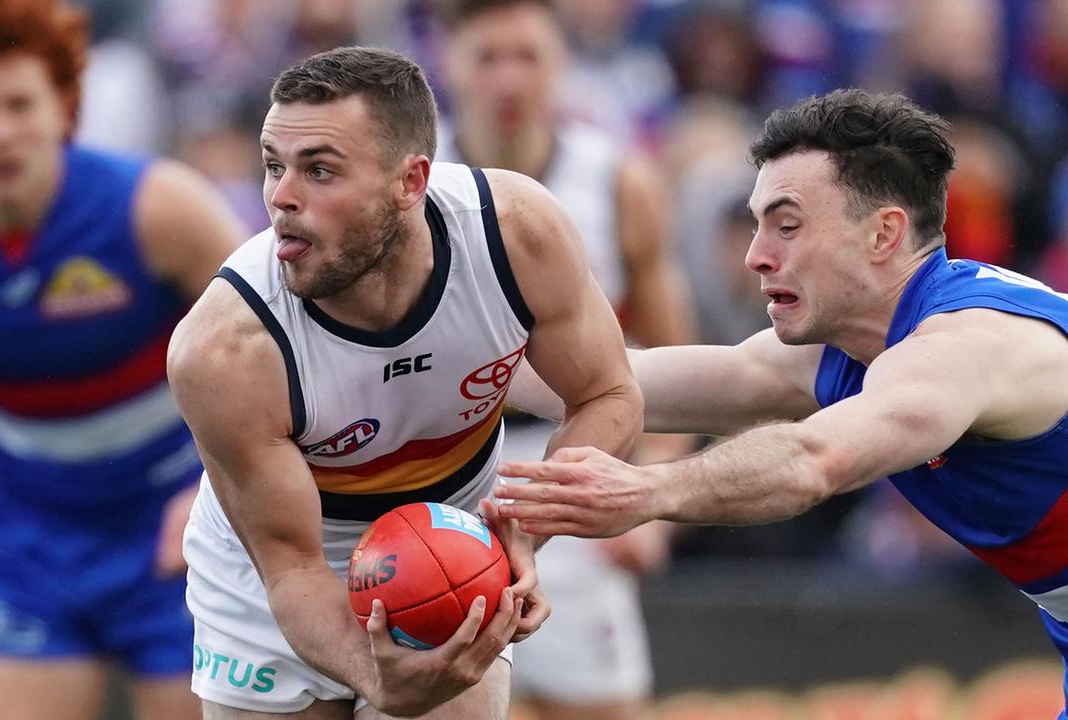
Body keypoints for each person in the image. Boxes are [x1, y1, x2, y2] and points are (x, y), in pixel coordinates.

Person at [495, 89, 1068, 715]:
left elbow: (811, 460)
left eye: (786, 226)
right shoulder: (854, 342)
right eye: (756, 222)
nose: (754, 255)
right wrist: (435, 352)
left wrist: (646, 493)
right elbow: (616, 378)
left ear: (884, 233)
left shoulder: (961, 345)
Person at [167, 46, 643, 719]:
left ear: (411, 182)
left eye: (320, 170)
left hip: (452, 544)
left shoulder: (515, 234)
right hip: (275, 578)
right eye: (274, 165)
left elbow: (609, 394)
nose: (280, 197)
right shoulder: (223, 349)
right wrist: (377, 675)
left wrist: (521, 532)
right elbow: (293, 569)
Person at [0, 1, 246, 718]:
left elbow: (280, 343)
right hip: (27, 542)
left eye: (19, 104)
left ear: (65, 106)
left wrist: (226, 493)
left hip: (181, 530)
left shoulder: (159, 209)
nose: (0, 132)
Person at [434, 2, 695, 718]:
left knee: (603, 708)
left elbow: (674, 360)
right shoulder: (409, 184)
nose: (509, 78)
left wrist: (653, 505)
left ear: (560, 67)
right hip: (436, 467)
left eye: (528, 56)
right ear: (451, 65)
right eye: (488, 57)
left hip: (569, 465)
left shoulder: (616, 182)